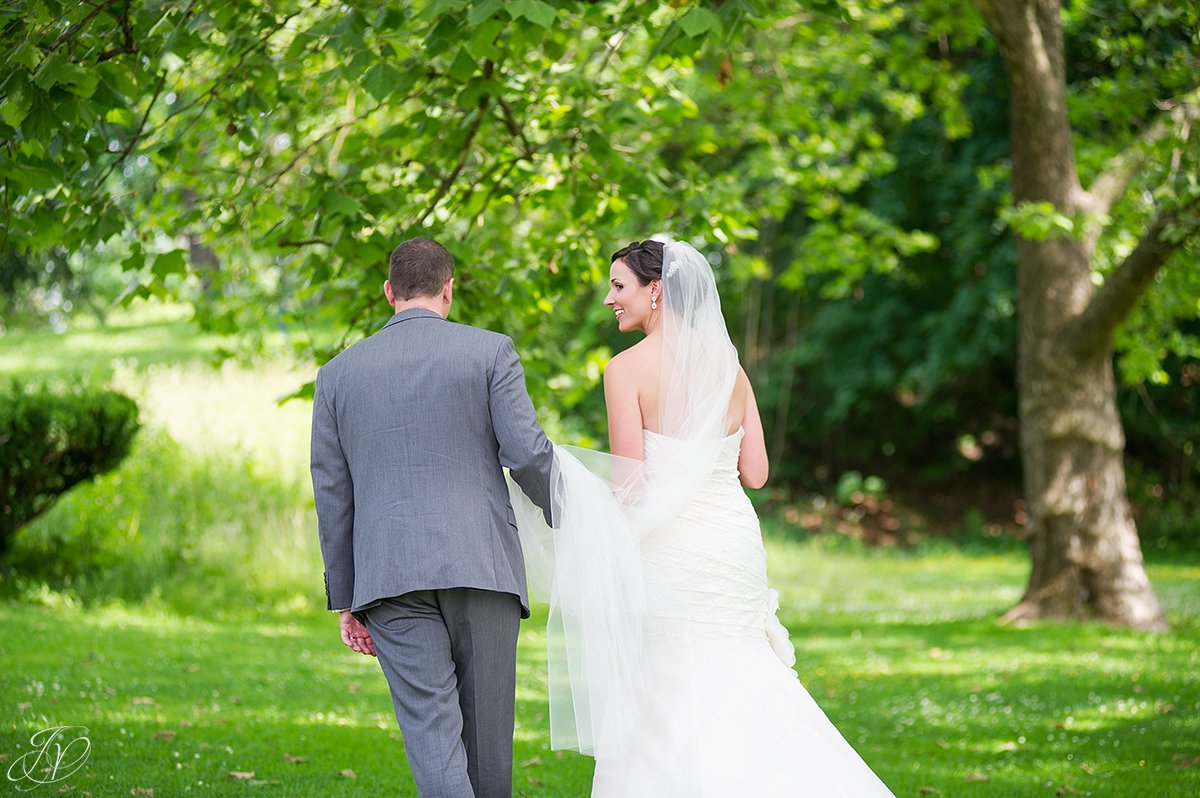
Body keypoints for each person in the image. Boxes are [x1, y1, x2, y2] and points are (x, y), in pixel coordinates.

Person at [510, 238, 895, 796]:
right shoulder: (729, 367)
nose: (609, 299)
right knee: (741, 667)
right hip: (731, 538)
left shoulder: (625, 371)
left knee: (671, 676)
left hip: (670, 547)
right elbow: (757, 472)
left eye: (619, 287)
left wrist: (583, 518)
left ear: (656, 289)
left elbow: (630, 484)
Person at [310, 236, 555, 798]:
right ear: (449, 290)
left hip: (391, 578)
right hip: (483, 568)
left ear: (389, 292)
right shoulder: (491, 351)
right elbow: (526, 453)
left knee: (431, 734)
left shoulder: (337, 376)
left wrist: (346, 598)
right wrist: (569, 514)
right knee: (490, 742)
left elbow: (333, 493)